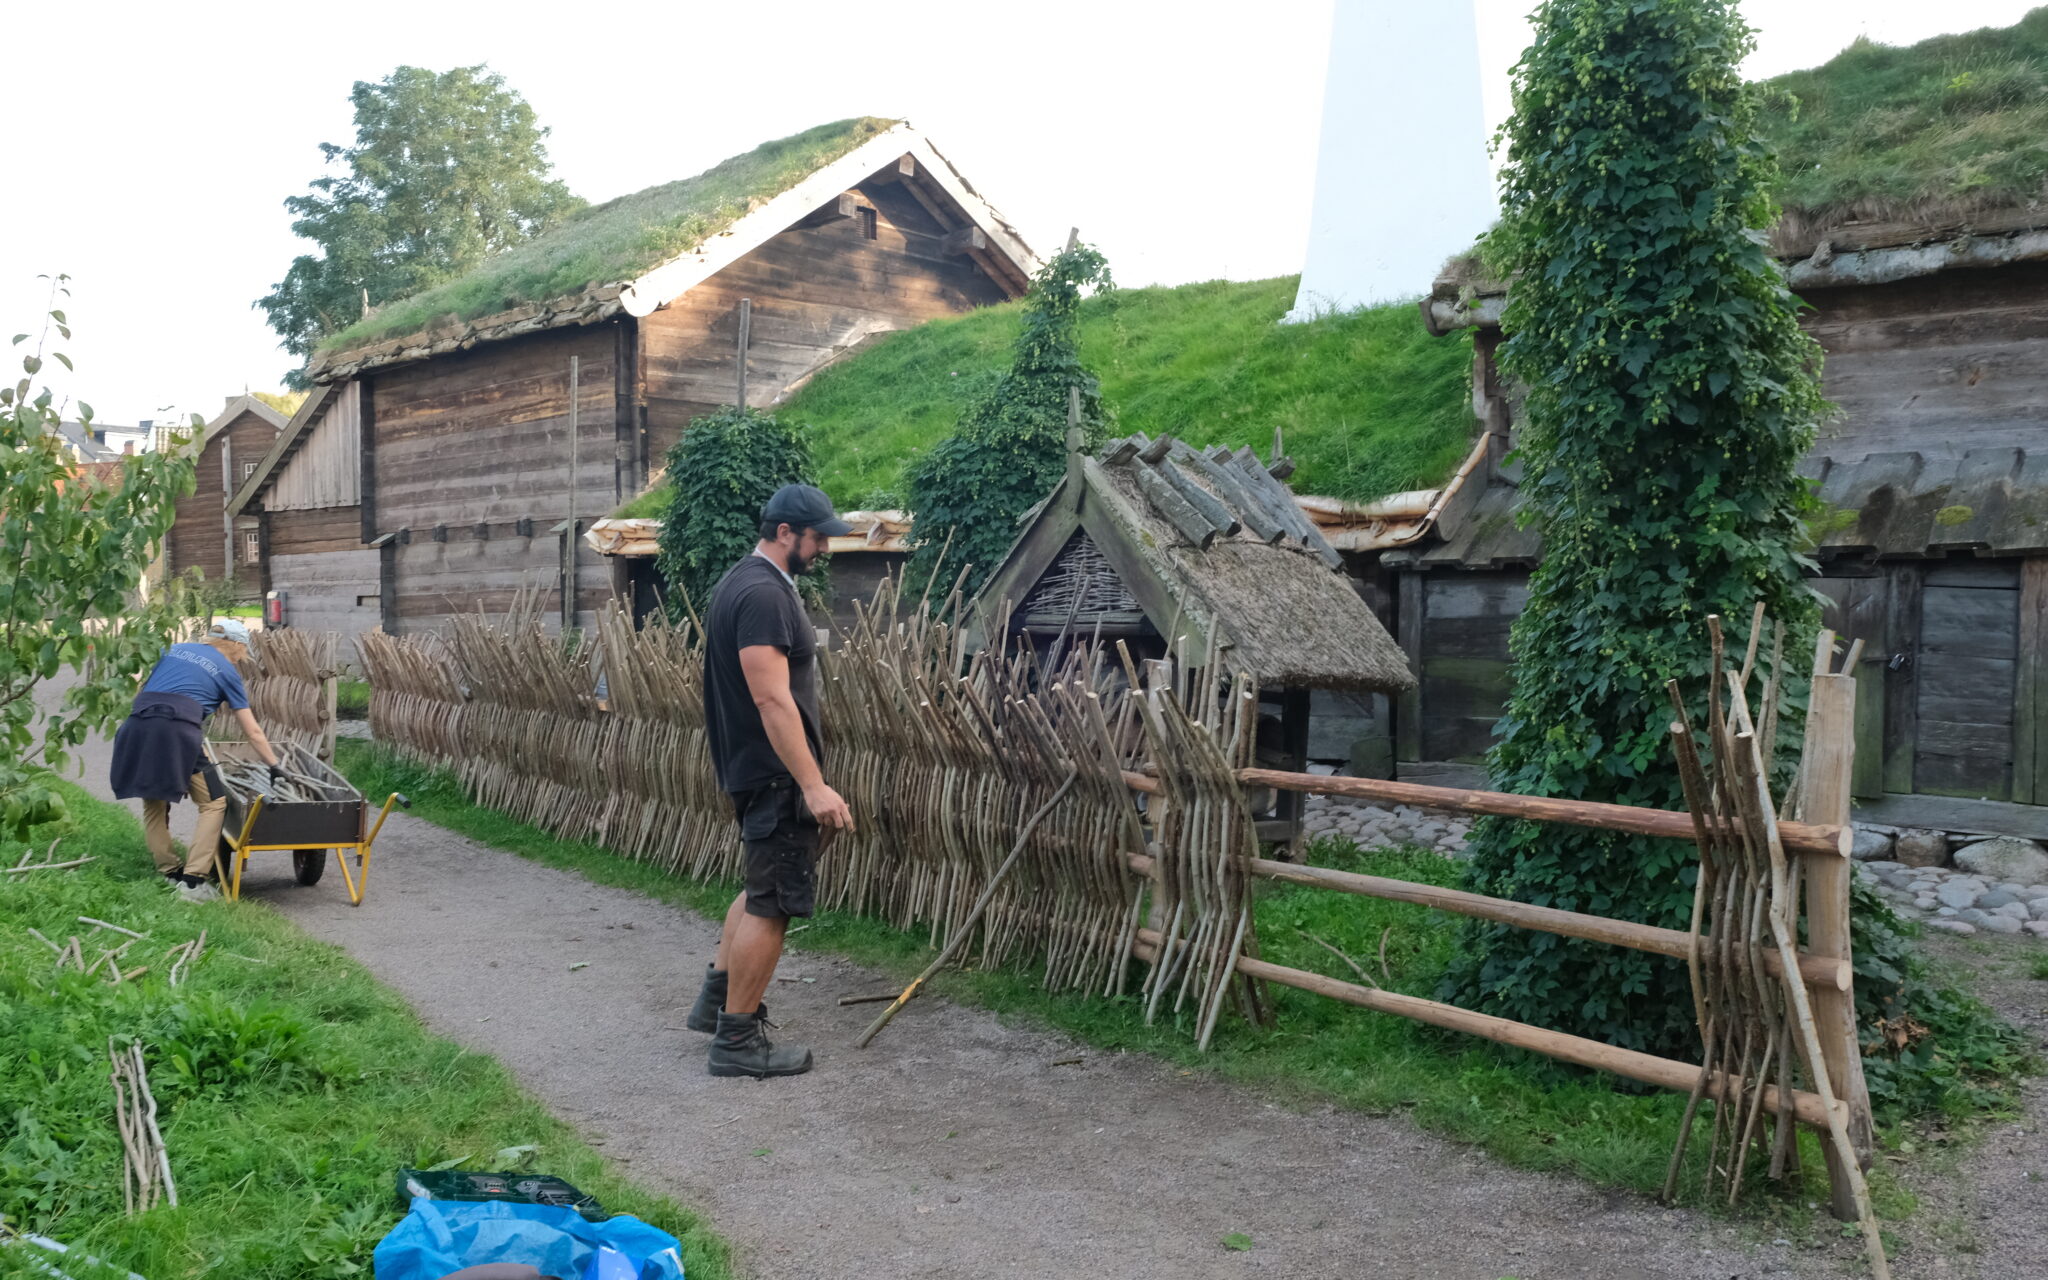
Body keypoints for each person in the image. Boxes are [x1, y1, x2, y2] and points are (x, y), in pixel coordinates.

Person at [687, 485, 856, 1078]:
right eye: (818, 537)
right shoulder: (761, 594)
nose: (824, 547)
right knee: (773, 903)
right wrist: (812, 783)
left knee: (759, 887)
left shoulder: (744, 581)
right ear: (786, 533)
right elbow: (770, 698)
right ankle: (736, 1042)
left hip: (756, 769)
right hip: (776, 774)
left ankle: (716, 1003)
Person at [109, 619, 284, 903]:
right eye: (243, 651)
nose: (242, 658)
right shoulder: (227, 671)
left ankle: (169, 872)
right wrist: (274, 765)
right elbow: (252, 730)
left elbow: (148, 689)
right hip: (176, 731)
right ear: (237, 645)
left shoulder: (174, 650)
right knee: (214, 802)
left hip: (137, 725)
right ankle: (192, 882)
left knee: (153, 802)